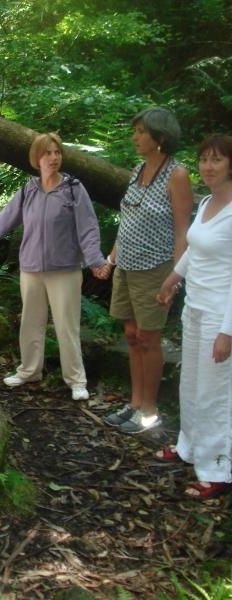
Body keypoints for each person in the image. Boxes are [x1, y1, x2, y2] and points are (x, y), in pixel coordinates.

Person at [0, 133, 107, 400]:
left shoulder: (74, 189)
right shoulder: (29, 189)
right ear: (36, 158)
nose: (53, 158)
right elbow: (3, 220)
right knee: (31, 323)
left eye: (57, 153)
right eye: (47, 153)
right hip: (31, 269)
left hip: (64, 270)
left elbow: (88, 228)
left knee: (66, 326)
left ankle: (76, 380)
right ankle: (29, 371)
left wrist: (96, 261)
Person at [102, 107, 193, 434]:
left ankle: (150, 411)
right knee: (131, 335)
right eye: (135, 130)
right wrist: (110, 260)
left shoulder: (177, 175)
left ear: (161, 137)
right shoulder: (138, 169)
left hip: (156, 268)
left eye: (141, 131)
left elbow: (184, 231)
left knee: (148, 338)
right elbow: (127, 219)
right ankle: (135, 403)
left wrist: (176, 277)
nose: (135, 137)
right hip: (126, 264)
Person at [155, 134, 232, 499]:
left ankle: (218, 468)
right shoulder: (205, 205)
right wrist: (173, 279)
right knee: (191, 384)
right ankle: (189, 447)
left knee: (215, 392)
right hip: (195, 308)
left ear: (230, 165)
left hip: (221, 314)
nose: (207, 167)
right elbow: (195, 250)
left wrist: (227, 332)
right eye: (203, 160)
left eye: (216, 160)